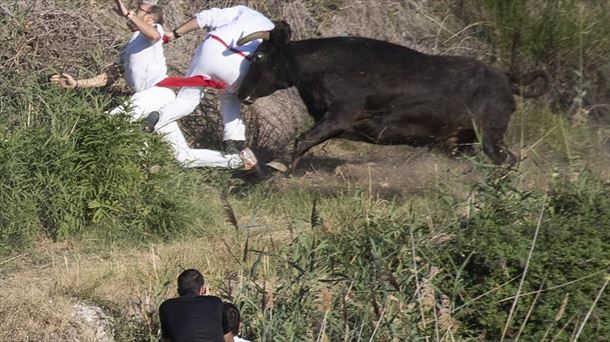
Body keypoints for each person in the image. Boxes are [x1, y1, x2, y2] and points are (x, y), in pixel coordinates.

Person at [50, 1, 257, 170]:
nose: (134, 10)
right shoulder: (129, 46)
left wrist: (127, 14)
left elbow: (154, 35)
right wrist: (77, 83)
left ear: (150, 18)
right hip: (152, 100)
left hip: (156, 93)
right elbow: (108, 77)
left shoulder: (153, 32)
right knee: (182, 157)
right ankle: (239, 161)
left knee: (110, 124)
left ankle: (144, 159)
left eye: (139, 9)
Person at [144, 5, 274, 155]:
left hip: (212, 49)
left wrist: (174, 34)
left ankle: (155, 119)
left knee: (187, 100)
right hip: (239, 65)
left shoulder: (242, 10)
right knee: (230, 97)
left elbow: (204, 18)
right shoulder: (272, 30)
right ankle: (233, 143)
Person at [159, 269, 234, 342]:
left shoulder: (166, 306)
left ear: (178, 291)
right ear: (202, 289)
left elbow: (166, 339)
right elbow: (228, 338)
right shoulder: (216, 303)